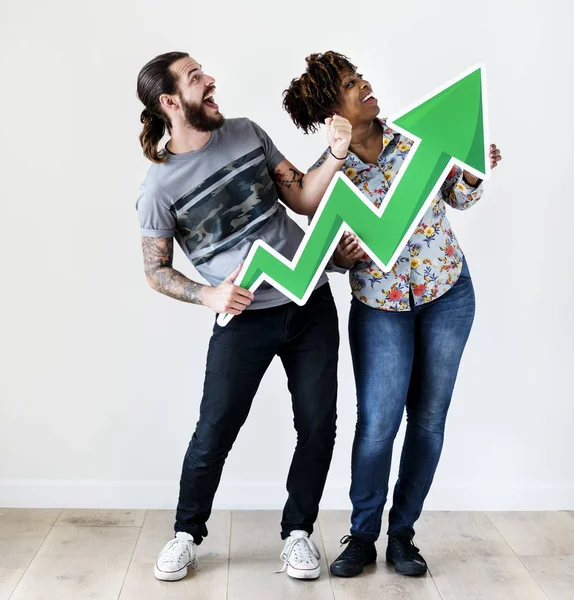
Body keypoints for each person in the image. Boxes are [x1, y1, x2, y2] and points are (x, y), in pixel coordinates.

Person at [283, 51, 502, 578]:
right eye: (353, 85)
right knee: (378, 424)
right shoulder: (327, 175)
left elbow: (457, 196)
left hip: (448, 293)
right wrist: (342, 258)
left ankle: (402, 535)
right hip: (380, 308)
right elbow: (324, 252)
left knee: (428, 420)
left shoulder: (415, 139)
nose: (366, 87)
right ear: (332, 109)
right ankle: (361, 536)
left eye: (361, 78)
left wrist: (474, 172)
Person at [135, 51, 353, 582]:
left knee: (319, 425)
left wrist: (336, 154)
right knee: (214, 431)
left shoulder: (248, 132)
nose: (209, 80)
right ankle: (186, 534)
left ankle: (298, 533)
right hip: (242, 319)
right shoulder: (158, 188)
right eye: (195, 78)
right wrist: (207, 295)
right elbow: (156, 270)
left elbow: (301, 197)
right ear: (169, 102)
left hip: (308, 301)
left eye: (203, 71)